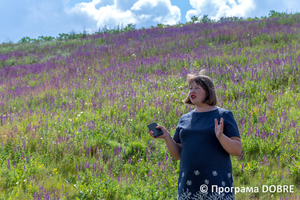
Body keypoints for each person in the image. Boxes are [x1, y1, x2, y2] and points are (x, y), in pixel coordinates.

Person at [148, 70, 242, 200]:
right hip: (188, 184)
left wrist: (221, 137)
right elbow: (177, 155)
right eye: (190, 88)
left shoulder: (224, 115)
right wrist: (167, 137)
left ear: (208, 91)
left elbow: (237, 150)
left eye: (197, 88)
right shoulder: (184, 119)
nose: (192, 91)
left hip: (217, 184)